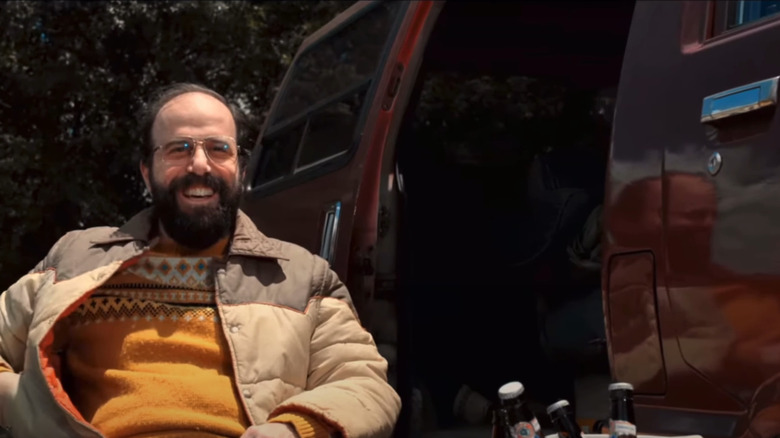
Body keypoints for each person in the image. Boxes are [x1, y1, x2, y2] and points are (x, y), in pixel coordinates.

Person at [0, 83, 401, 438]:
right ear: (146, 171)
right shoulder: (74, 257)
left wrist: (294, 430)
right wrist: (34, 422)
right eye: (179, 149)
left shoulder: (302, 276)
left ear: (239, 168)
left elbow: (364, 382)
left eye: (218, 148)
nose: (199, 165)